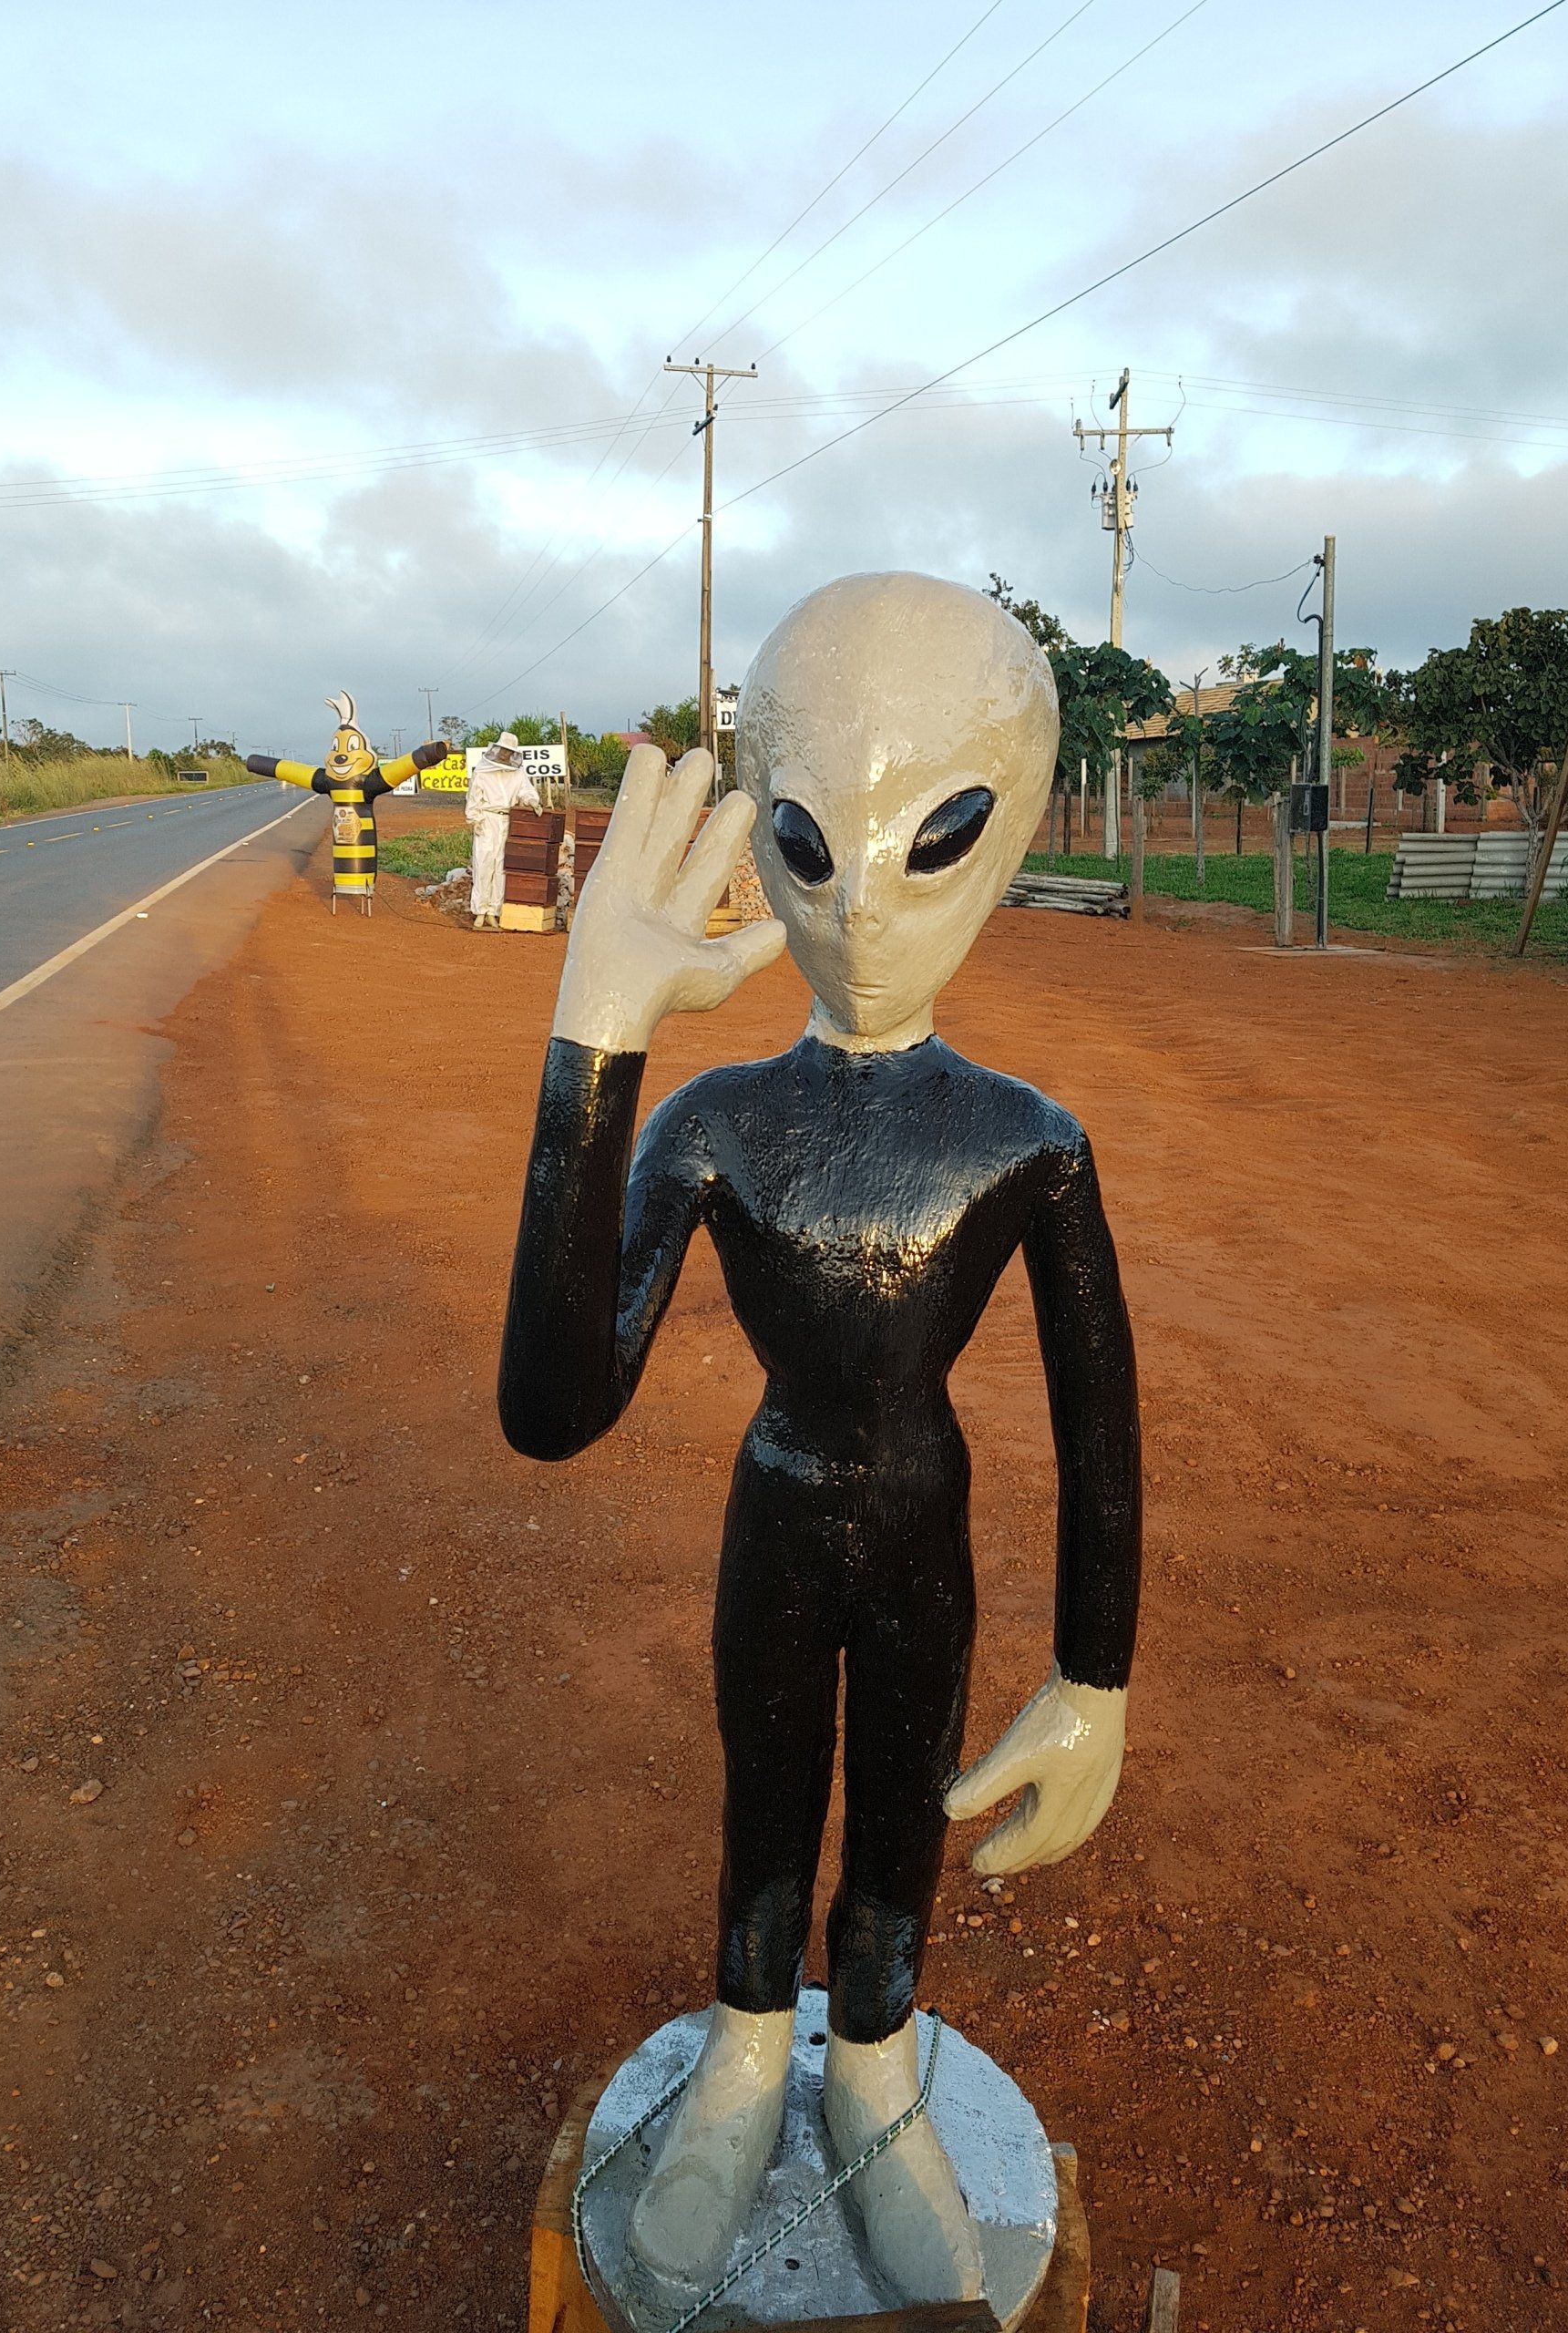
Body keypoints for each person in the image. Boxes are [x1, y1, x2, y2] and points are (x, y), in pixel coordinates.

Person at [497, 574, 1141, 2306]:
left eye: (935, 840)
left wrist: (1096, 1675)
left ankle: (874, 2064)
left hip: (920, 1526)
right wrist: (597, 1040)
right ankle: (743, 2046)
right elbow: (553, 1411)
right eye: (806, 840)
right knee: (767, 1797)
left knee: (902, 1817)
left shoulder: (1026, 1139)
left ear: (1016, 831)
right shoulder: (717, 1118)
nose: (859, 907)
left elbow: (1101, 1422)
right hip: (778, 1517)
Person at [245, 693, 445, 913]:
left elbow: (402, 767)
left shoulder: (366, 782)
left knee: (355, 858)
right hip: (344, 845)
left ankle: (360, 889)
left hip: (360, 848)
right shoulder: (332, 780)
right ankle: (353, 889)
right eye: (337, 747)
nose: (341, 756)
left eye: (351, 747)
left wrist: (429, 754)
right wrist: (259, 764)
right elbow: (292, 770)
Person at [466, 736, 541, 929]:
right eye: (503, 749)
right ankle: (480, 911)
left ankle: (493, 912)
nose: (505, 753)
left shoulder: (517, 773)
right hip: (487, 819)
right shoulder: (482, 771)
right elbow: (474, 798)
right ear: (497, 749)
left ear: (513, 753)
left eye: (509, 751)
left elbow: (526, 790)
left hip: (507, 820)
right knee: (483, 863)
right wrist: (474, 819)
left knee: (501, 867)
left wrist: (533, 801)